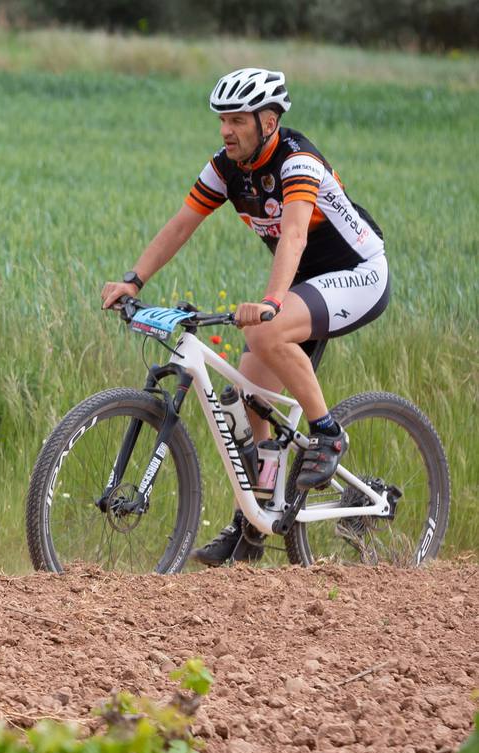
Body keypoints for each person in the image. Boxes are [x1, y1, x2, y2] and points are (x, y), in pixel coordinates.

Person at [98, 67, 388, 566]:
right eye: (222, 120)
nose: (226, 130)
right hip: (303, 284)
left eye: (237, 119)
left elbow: (294, 236)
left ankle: (327, 433)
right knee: (248, 398)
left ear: (269, 121)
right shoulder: (226, 167)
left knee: (269, 330)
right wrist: (134, 279)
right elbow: (182, 223)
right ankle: (251, 525)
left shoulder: (299, 161)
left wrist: (272, 303)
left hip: (359, 272)